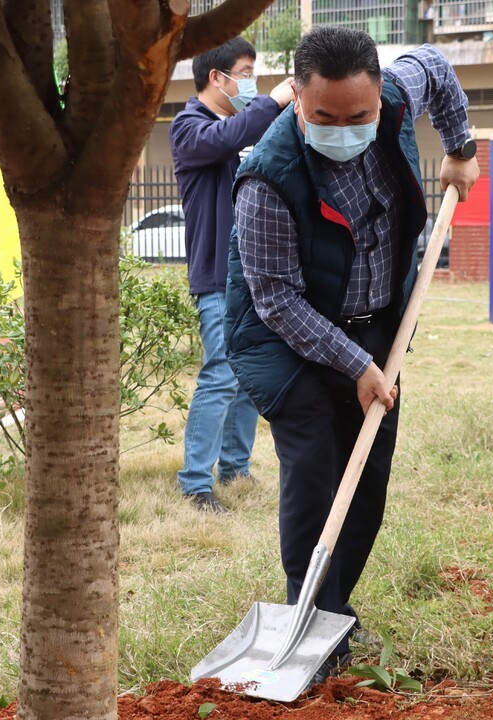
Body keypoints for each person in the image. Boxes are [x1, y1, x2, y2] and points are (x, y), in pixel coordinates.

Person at [225, 26, 479, 680]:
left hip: (375, 328)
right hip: (286, 340)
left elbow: (437, 66)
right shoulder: (267, 179)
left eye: (358, 116)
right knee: (316, 469)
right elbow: (277, 301)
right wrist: (355, 365)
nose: (344, 127)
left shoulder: (396, 94)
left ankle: (335, 606)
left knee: (368, 477)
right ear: (297, 103)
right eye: (324, 117)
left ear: (379, 98)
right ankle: (313, 621)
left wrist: (460, 148)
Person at [170, 37, 293, 514]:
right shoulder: (189, 128)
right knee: (220, 375)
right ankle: (195, 484)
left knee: (245, 378)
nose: (251, 80)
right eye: (244, 71)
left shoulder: (244, 129)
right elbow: (228, 137)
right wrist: (274, 100)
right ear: (216, 77)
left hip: (253, 277)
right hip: (217, 277)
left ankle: (235, 469)